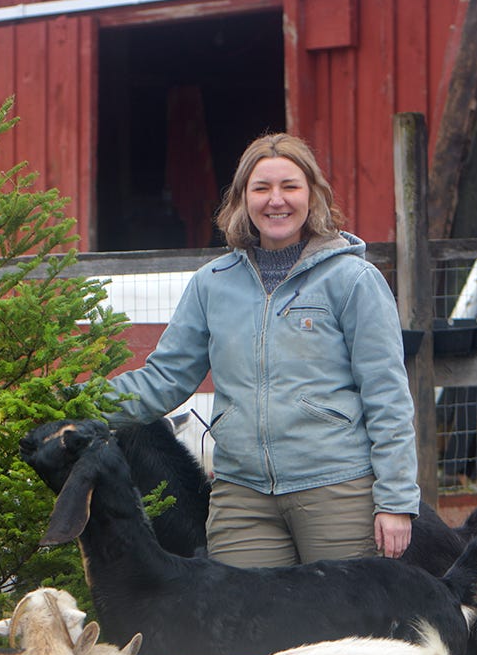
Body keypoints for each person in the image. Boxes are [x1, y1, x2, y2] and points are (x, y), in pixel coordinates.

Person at [107, 132, 417, 567]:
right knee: (244, 631)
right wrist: (77, 405)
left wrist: (396, 499)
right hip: (242, 500)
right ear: (242, 199)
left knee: (342, 629)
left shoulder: (353, 281)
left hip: (337, 489)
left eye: (290, 186)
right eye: (261, 188)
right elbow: (165, 378)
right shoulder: (213, 283)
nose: (276, 201)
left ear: (313, 195)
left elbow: (387, 395)